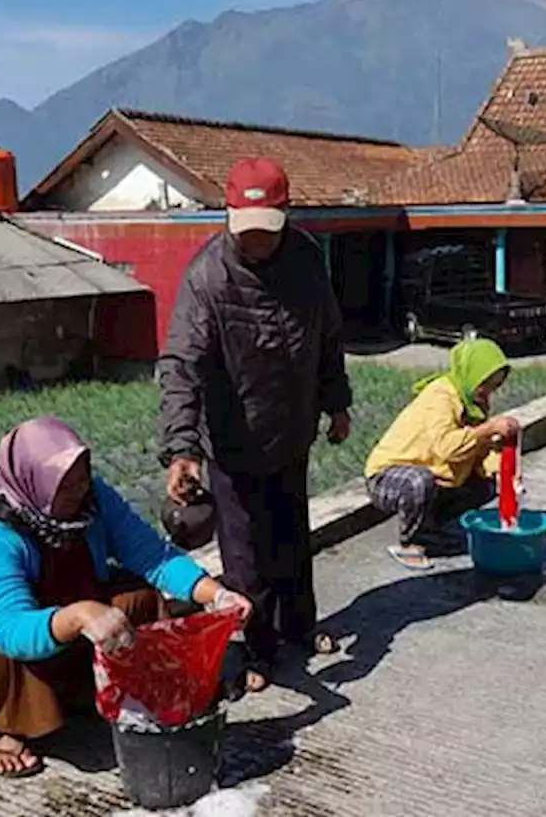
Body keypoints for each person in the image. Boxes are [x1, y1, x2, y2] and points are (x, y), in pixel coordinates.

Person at [0, 417, 250, 778]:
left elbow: (152, 556)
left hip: (65, 612)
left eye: (82, 475)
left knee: (139, 598)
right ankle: (4, 728)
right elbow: (11, 631)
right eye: (66, 483)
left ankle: (101, 693)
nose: (80, 488)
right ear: (34, 482)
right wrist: (80, 615)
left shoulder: (92, 499)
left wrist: (216, 594)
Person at [158, 157, 352, 693]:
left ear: (286, 215)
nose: (257, 243)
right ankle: (257, 652)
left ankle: (300, 628)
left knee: (292, 534)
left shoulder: (307, 261)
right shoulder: (208, 278)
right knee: (244, 554)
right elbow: (181, 366)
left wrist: (337, 403)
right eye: (246, 231)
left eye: (267, 231)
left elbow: (328, 336)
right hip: (234, 441)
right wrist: (182, 448)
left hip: (292, 428)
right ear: (227, 214)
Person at [364, 339, 519, 571]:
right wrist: (487, 429)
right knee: (419, 483)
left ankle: (432, 529)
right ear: (472, 374)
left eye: (494, 387)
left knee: (484, 486)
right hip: (388, 476)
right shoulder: (441, 396)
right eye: (485, 384)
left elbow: (480, 449)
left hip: (434, 473)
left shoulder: (474, 403)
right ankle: (411, 542)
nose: (487, 392)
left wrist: (502, 474)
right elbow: (446, 448)